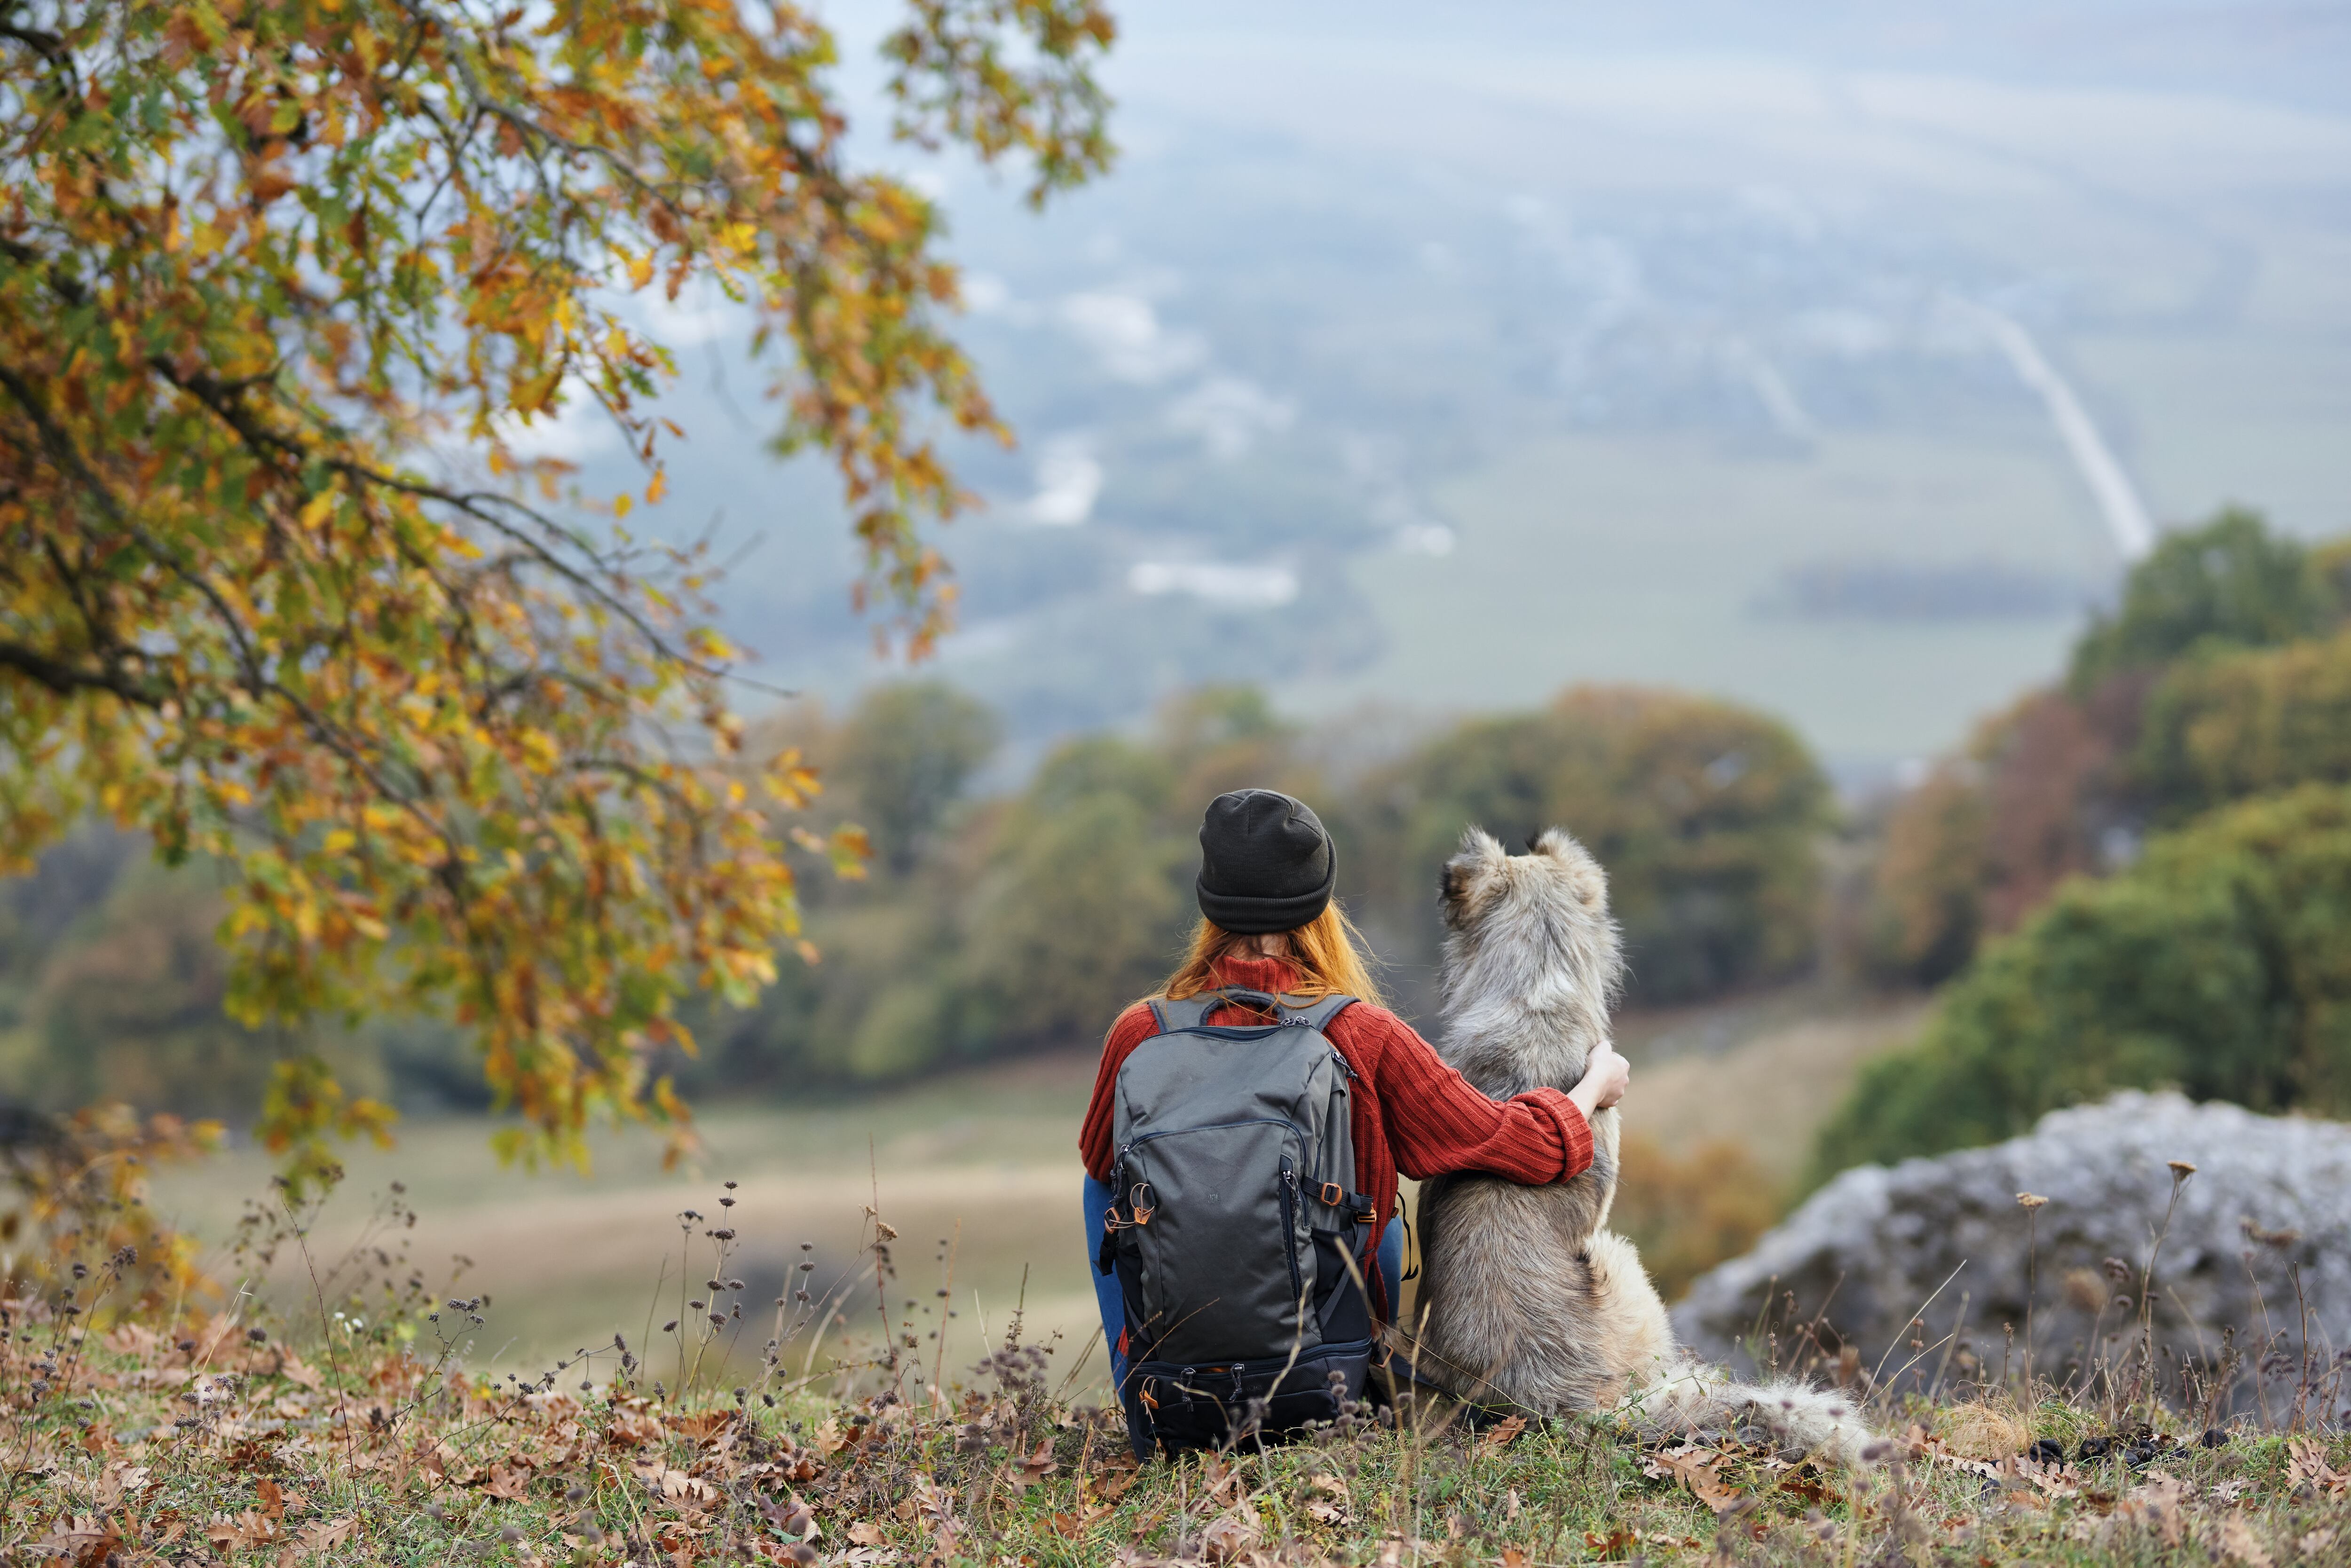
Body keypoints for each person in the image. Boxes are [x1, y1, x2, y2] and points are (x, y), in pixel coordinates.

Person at [1079, 787, 1630, 1418]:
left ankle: (1136, 1381)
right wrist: (1595, 1085)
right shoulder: (1364, 1035)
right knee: (1376, 1196)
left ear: (1209, 903)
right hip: (1325, 1393)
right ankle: (1362, 1359)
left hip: (1173, 1402)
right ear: (1318, 907)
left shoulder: (1139, 1035)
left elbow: (1103, 1170)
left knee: (1104, 1184)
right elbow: (1521, 1146)